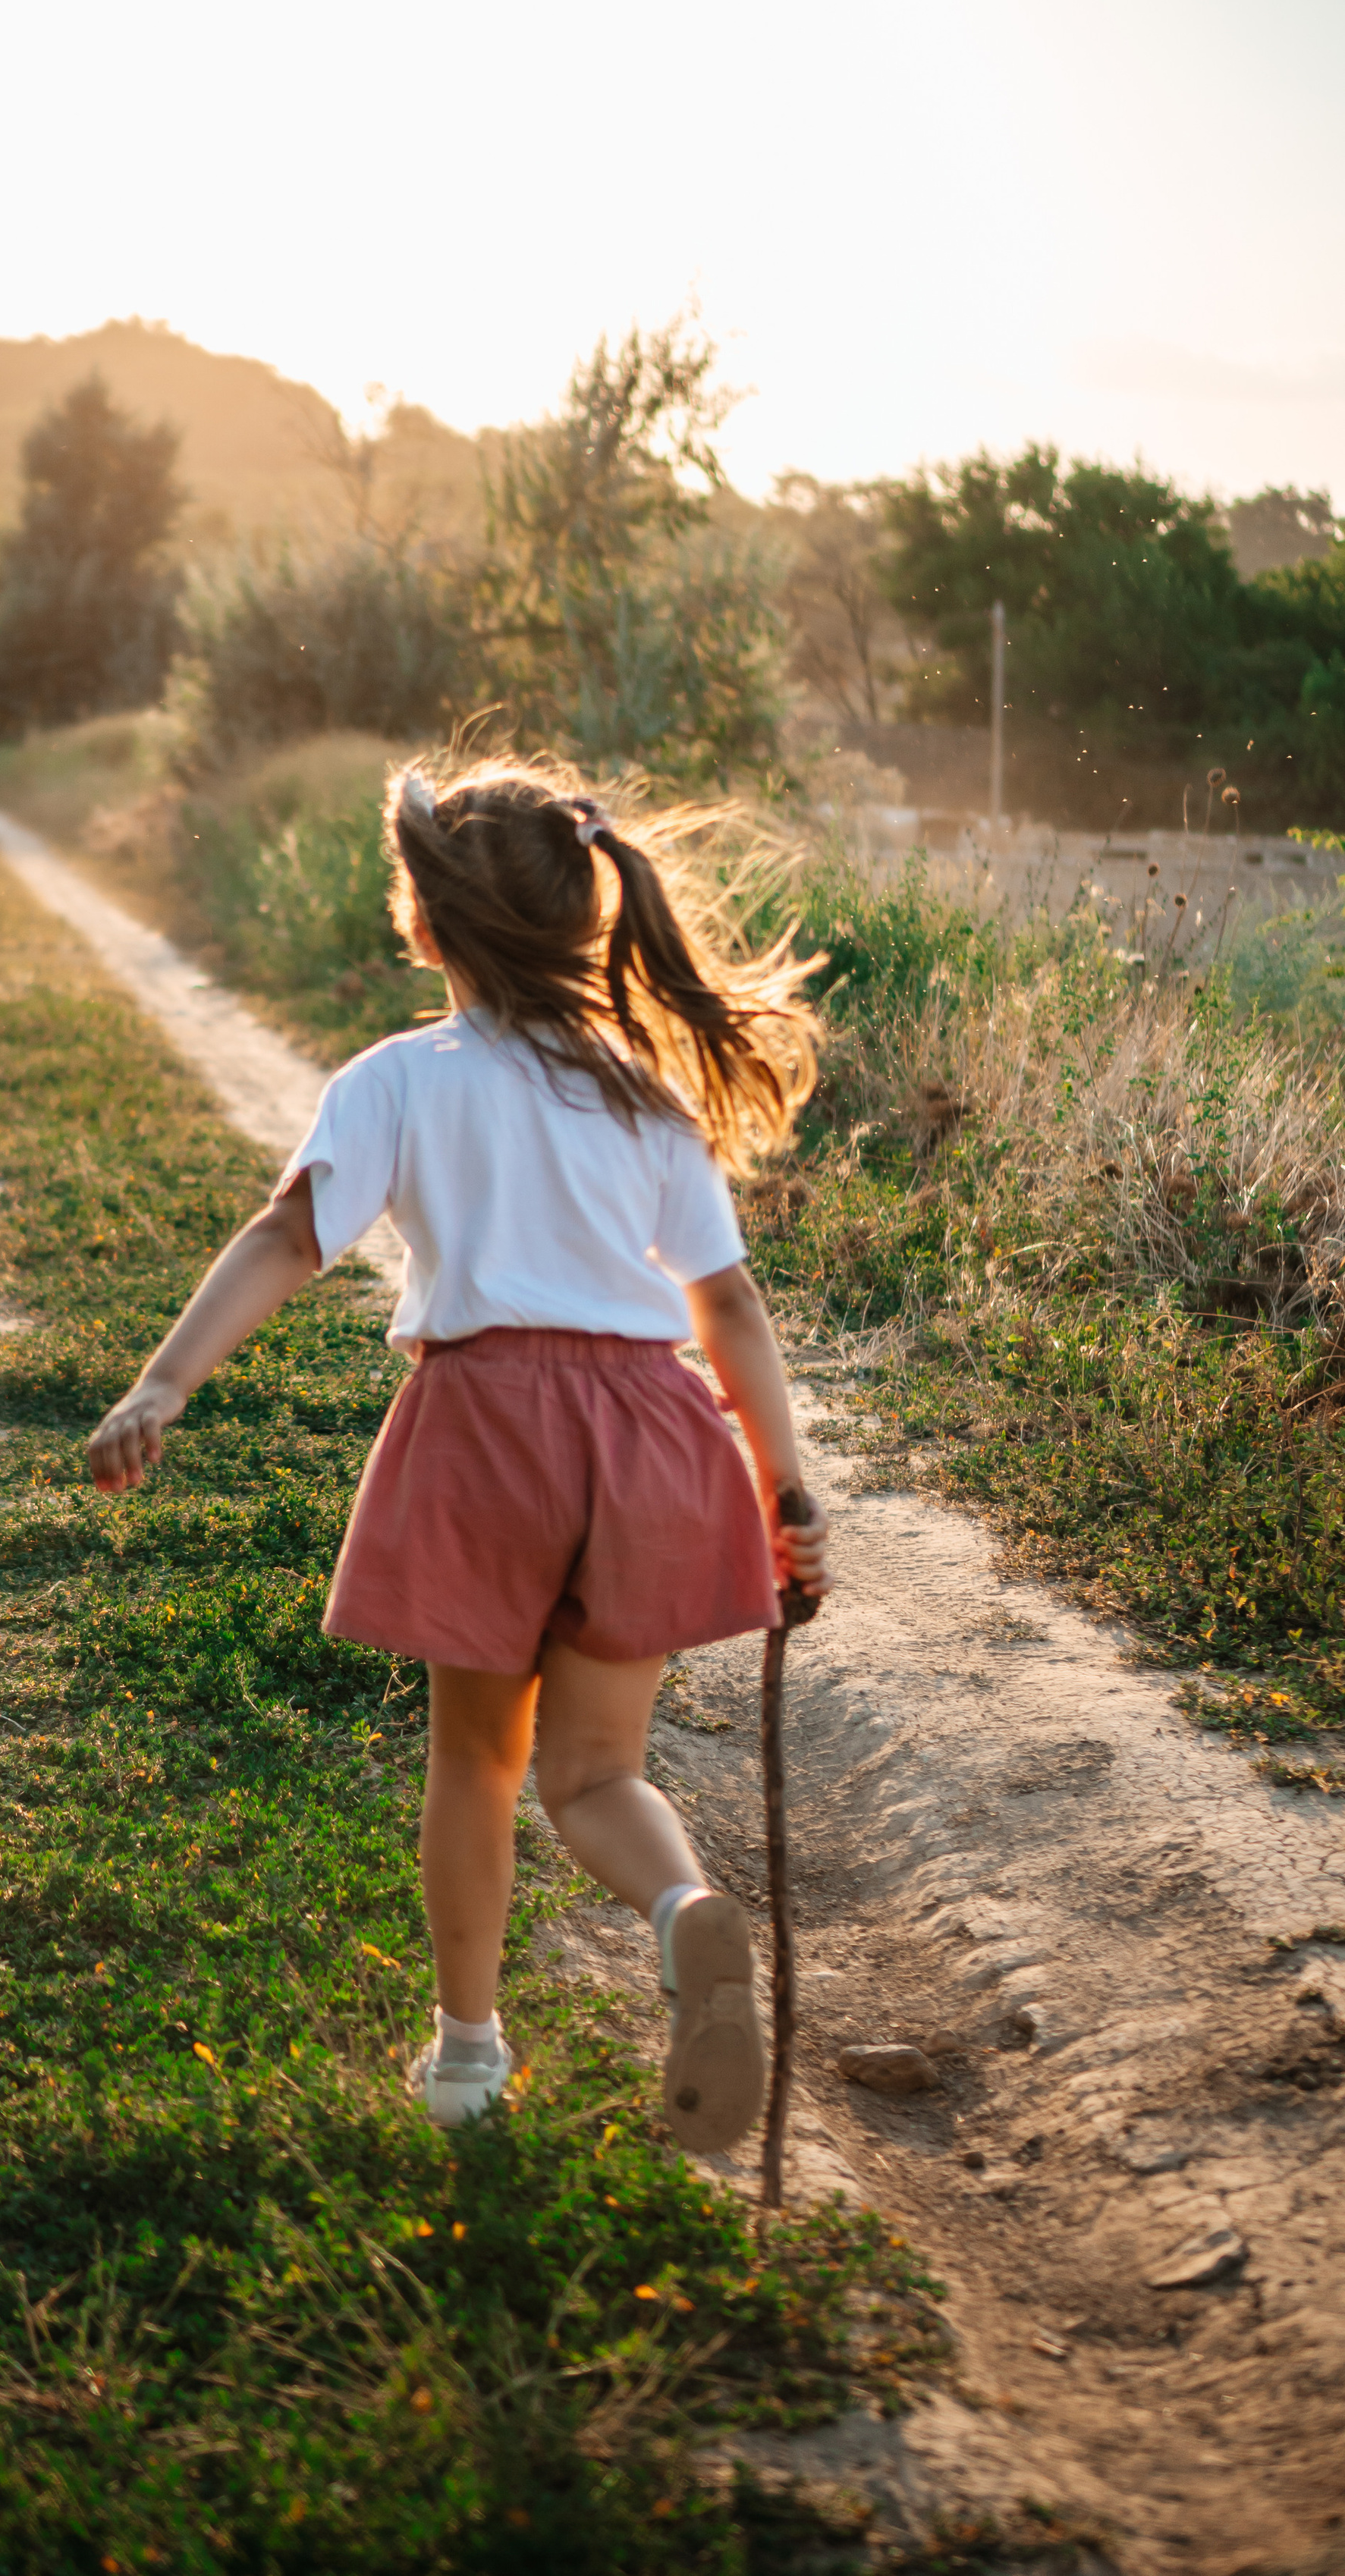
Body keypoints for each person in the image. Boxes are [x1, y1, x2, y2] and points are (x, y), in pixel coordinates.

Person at [86, 757, 831, 2152]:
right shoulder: (645, 1092)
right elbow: (726, 1303)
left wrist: (166, 1382)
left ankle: (471, 2060)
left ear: (426, 925)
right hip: (658, 1435)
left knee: (479, 1765)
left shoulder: (400, 1081)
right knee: (602, 1772)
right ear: (581, 921)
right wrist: (784, 1485)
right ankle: (682, 1908)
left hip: (491, 1430)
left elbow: (289, 1239)